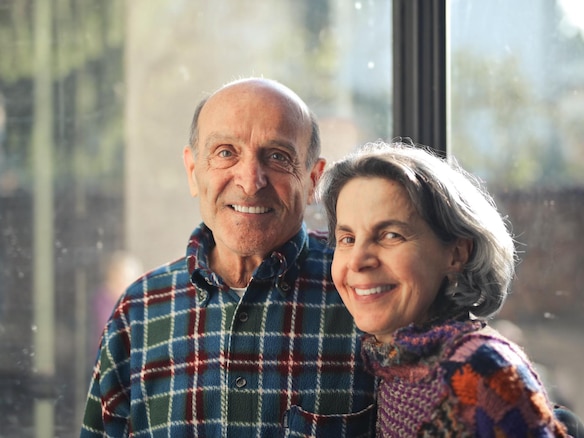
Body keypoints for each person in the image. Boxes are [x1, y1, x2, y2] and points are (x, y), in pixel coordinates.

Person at [80, 78, 377, 437]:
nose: (251, 181)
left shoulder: (363, 292)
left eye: (278, 156)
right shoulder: (139, 310)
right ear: (193, 172)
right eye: (225, 152)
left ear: (313, 180)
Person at [318, 141, 574, 437]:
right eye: (347, 239)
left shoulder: (483, 370)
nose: (359, 261)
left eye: (390, 235)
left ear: (457, 254)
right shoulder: (394, 368)